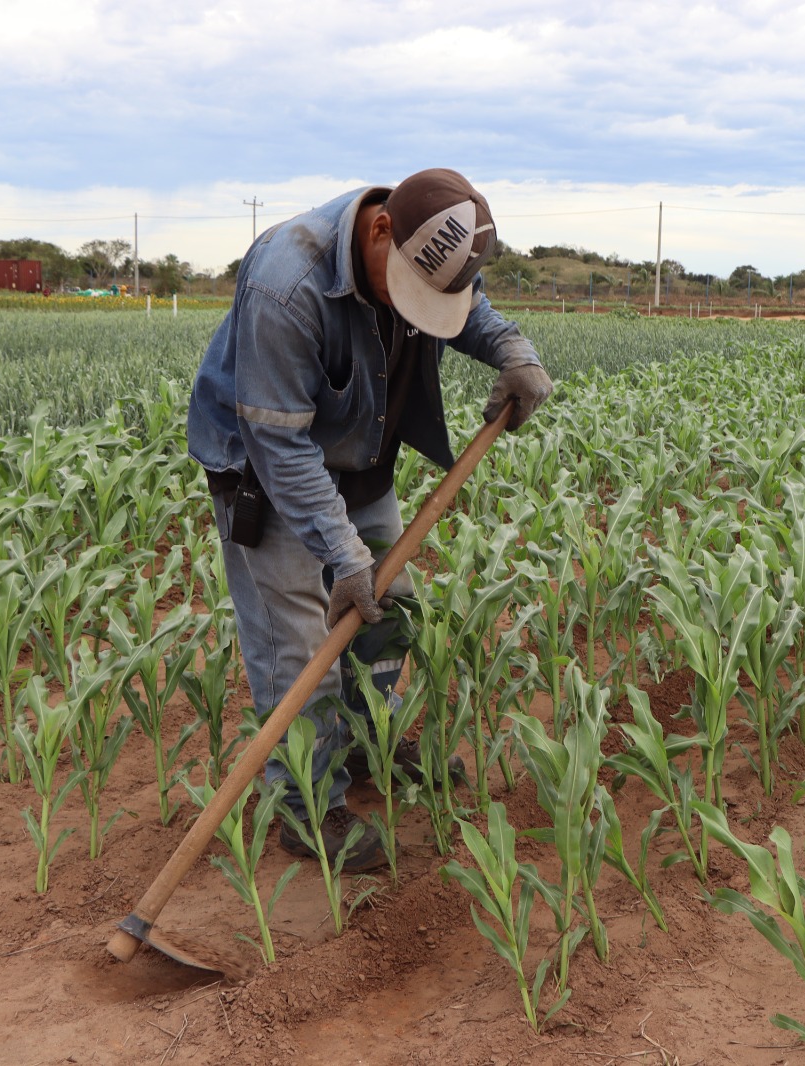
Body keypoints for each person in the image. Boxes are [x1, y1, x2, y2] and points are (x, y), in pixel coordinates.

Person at [187, 168, 554, 871]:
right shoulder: (285, 284)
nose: (418, 313)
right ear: (380, 228)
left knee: (390, 614)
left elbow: (467, 309)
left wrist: (513, 351)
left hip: (361, 459)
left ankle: (368, 743)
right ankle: (305, 805)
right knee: (300, 649)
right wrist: (345, 556)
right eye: (408, 294)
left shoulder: (430, 247)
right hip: (267, 471)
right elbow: (282, 447)